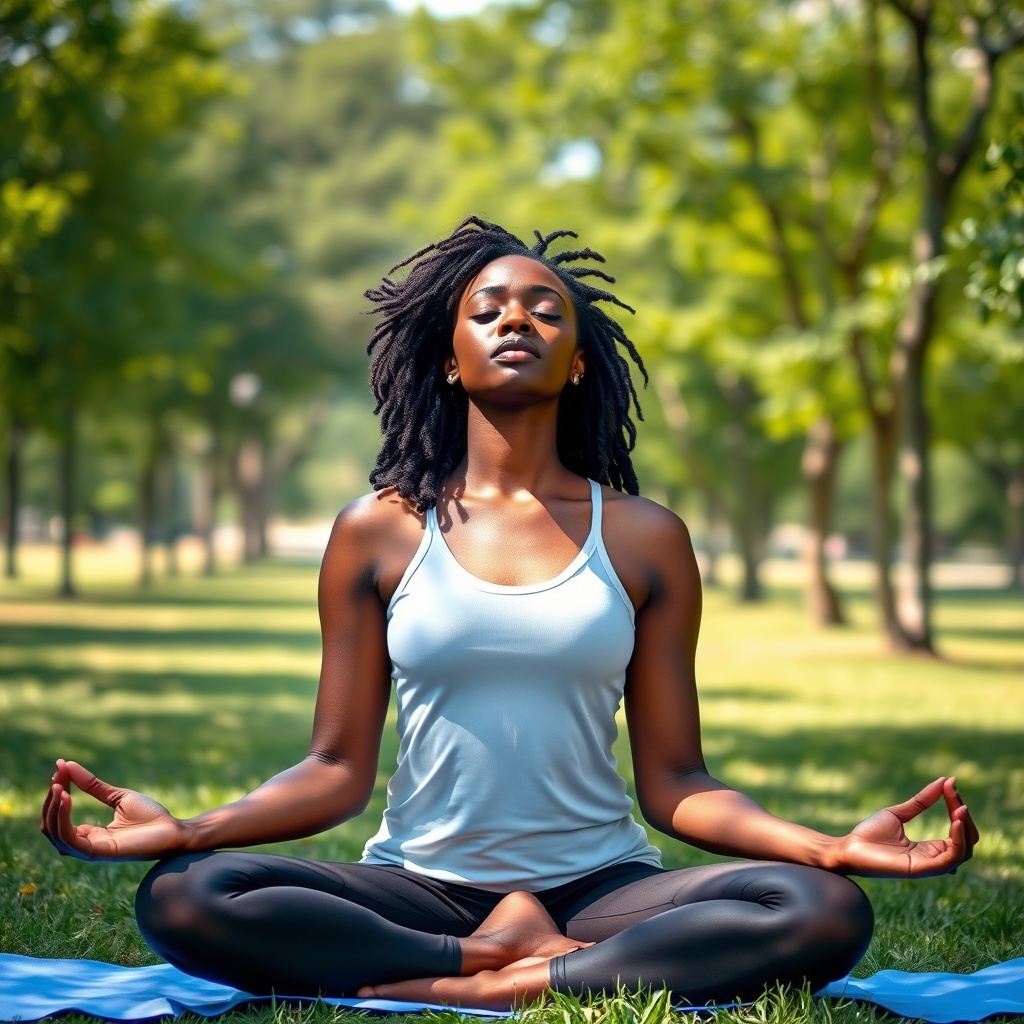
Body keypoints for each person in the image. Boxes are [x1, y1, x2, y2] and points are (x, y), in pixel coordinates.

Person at [40, 217, 978, 1011]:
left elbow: (677, 782)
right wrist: (195, 830)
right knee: (188, 898)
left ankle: (512, 978)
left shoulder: (647, 537)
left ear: (577, 361)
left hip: (602, 888)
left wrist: (827, 847)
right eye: (485, 311)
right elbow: (334, 770)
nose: (515, 320)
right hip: (422, 885)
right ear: (448, 359)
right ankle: (480, 962)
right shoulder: (379, 531)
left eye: (543, 310)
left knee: (823, 910)